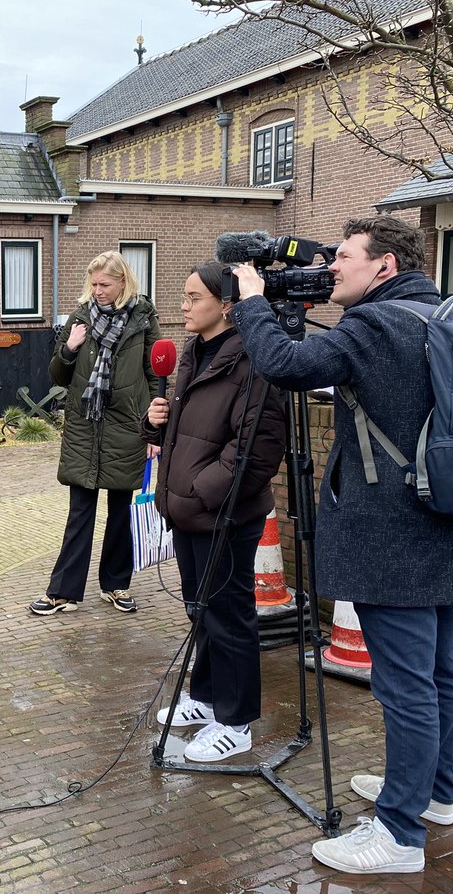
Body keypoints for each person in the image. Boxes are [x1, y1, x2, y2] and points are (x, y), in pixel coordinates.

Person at [230, 216, 453, 874]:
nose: (331, 267)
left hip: (391, 535)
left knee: (406, 689)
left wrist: (252, 298)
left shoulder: (375, 325)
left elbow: (283, 365)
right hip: (447, 521)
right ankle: (433, 795)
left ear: (385, 265)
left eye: (343, 257)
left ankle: (398, 835)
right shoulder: (447, 313)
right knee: (439, 675)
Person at [141, 261, 286, 762]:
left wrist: (201, 492)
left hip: (223, 515)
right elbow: (188, 434)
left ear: (226, 305)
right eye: (183, 296)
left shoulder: (252, 360)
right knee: (200, 610)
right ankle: (205, 697)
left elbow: (258, 450)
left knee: (228, 616)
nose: (182, 306)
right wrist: (154, 423)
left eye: (193, 297)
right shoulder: (193, 354)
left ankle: (236, 721)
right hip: (188, 512)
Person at [29, 251, 161, 616]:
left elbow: (155, 377)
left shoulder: (144, 319)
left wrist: (154, 432)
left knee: (121, 515)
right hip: (85, 428)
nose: (98, 290)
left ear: (122, 282)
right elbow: (58, 376)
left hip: (127, 428)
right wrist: (70, 348)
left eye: (104, 284)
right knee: (80, 514)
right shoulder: (81, 317)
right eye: (94, 284)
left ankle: (115, 585)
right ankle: (63, 593)